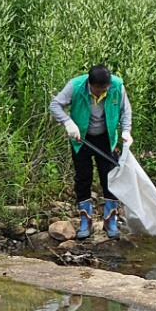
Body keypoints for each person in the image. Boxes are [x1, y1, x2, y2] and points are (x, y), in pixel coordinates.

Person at [49, 64, 134, 239]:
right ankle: (85, 221)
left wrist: (126, 131)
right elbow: (55, 105)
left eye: (105, 88)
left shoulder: (117, 86)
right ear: (90, 84)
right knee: (83, 178)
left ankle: (110, 221)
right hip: (82, 139)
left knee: (110, 178)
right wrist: (67, 122)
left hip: (106, 139)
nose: (103, 91)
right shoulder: (76, 86)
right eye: (99, 89)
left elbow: (126, 110)